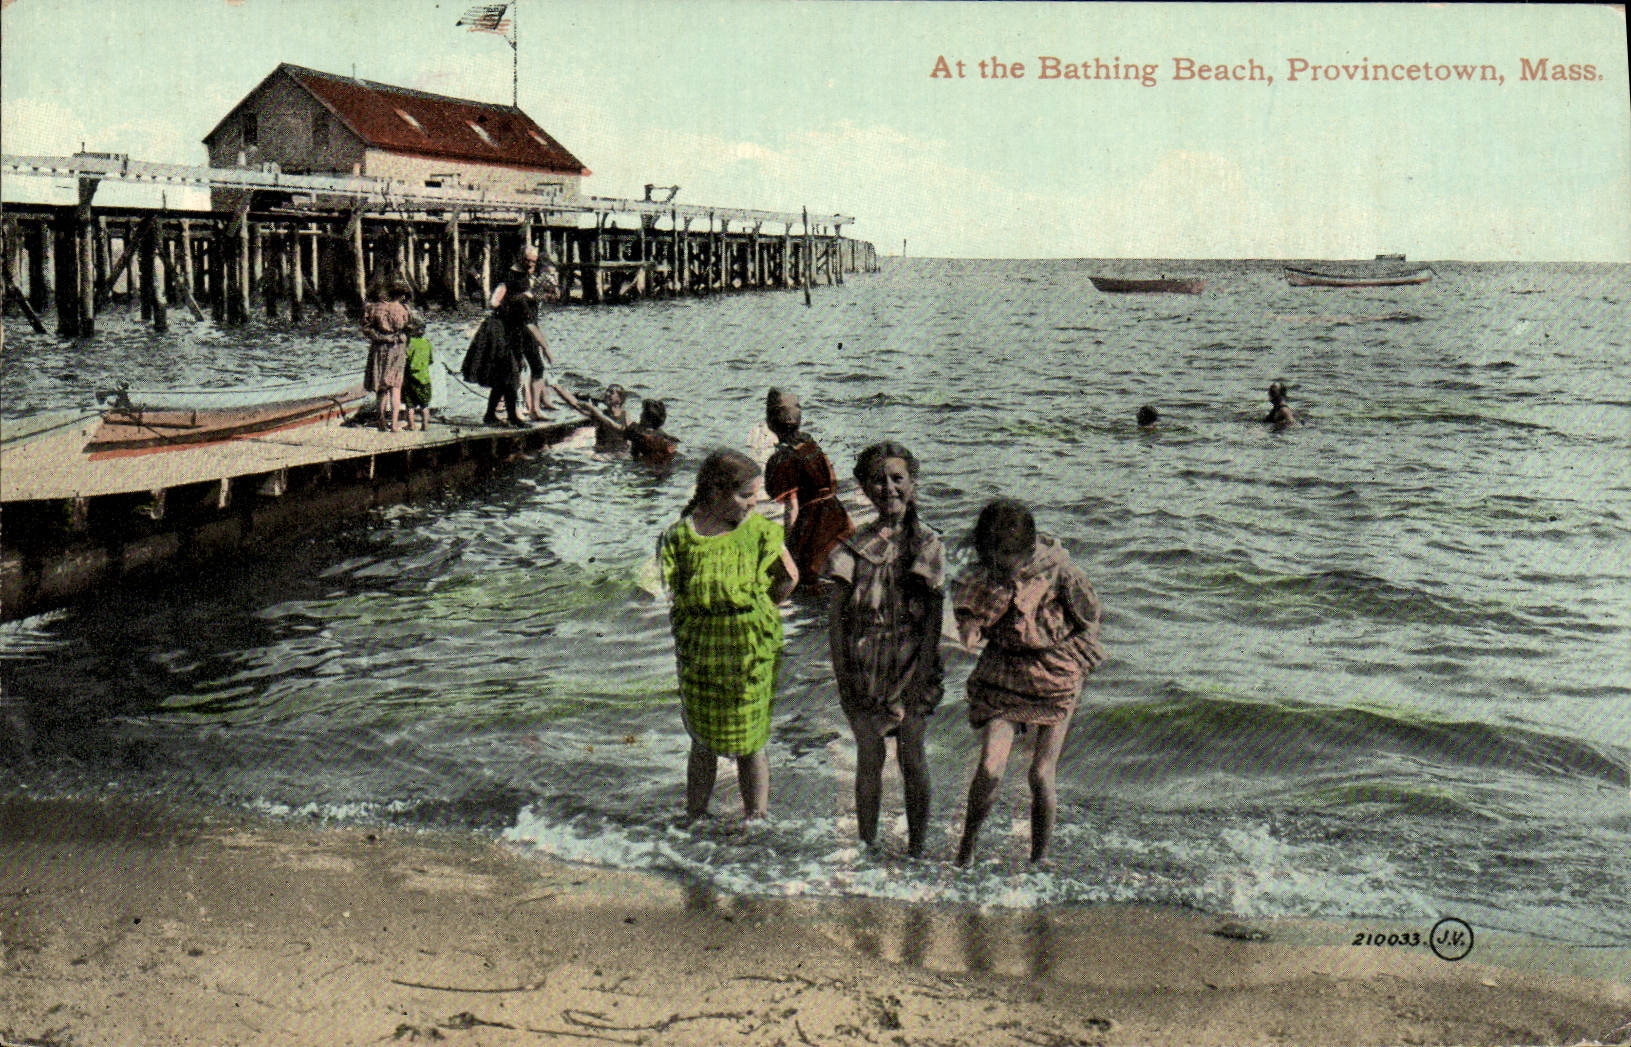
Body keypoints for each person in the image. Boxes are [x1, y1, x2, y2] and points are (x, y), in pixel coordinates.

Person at [952, 498, 1104, 867]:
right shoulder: (984, 574)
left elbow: (1090, 619)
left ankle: (1039, 861)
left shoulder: (1060, 571)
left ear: (1027, 548)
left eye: (1006, 555)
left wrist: (1078, 660)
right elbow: (968, 624)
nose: (999, 564)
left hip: (1057, 671)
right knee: (990, 766)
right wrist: (967, 633)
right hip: (1004, 671)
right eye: (991, 555)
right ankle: (966, 850)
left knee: (1040, 773)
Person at [658, 449, 798, 823]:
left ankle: (757, 817)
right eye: (745, 495)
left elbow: (789, 578)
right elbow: (667, 589)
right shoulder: (679, 538)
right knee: (702, 740)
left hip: (750, 655)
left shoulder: (759, 532)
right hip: (701, 656)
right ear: (715, 491)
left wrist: (757, 609)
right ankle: (696, 815)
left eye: (756, 495)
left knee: (751, 741)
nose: (754, 503)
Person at [824, 441, 944, 858]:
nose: (888, 487)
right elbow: (836, 622)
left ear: (913, 483)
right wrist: (844, 679)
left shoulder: (928, 544)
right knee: (869, 756)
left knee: (912, 754)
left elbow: (933, 623)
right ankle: (866, 845)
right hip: (864, 667)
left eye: (897, 478)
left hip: (913, 666)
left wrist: (922, 677)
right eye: (878, 479)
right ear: (863, 486)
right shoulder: (854, 546)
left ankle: (918, 849)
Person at [763, 389, 854, 591]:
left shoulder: (783, 458)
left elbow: (791, 507)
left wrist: (788, 543)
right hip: (836, 513)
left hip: (813, 521)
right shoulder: (811, 445)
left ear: (770, 423)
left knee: (803, 575)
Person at [488, 245, 558, 423]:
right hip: (515, 331)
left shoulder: (529, 279)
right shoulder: (513, 280)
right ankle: (508, 413)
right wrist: (546, 347)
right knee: (512, 372)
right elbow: (496, 302)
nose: (530, 264)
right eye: (527, 260)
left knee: (537, 368)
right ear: (520, 257)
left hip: (527, 329)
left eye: (533, 262)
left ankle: (534, 409)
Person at [554, 384, 679, 466]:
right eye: (607, 391)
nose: (607, 394)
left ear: (620, 399)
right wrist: (557, 388)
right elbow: (575, 404)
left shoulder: (628, 421)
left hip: (616, 456)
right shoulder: (659, 435)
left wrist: (593, 410)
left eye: (611, 392)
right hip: (610, 453)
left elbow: (611, 424)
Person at [361, 277, 413, 432]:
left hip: (379, 348)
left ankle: (381, 421)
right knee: (395, 387)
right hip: (397, 348)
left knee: (381, 388)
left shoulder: (372, 308)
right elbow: (411, 327)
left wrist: (381, 337)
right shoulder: (404, 310)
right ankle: (395, 423)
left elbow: (366, 329)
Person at [401, 301, 434, 432]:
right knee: (425, 405)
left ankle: (411, 425)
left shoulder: (409, 344)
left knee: (410, 405)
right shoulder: (427, 343)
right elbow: (431, 360)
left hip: (410, 379)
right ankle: (425, 425)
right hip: (424, 379)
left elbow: (405, 359)